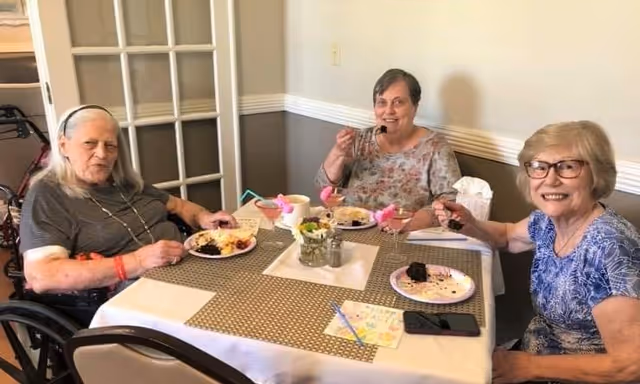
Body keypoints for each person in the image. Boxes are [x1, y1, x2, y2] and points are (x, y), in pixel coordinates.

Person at [433, 121, 640, 383]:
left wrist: (530, 367)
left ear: (596, 174)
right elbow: (508, 236)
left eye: (567, 166)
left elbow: (629, 364)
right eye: (540, 167)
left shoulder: (611, 247)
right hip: (533, 355)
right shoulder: (548, 221)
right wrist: (471, 223)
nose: (550, 179)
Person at [19, 104, 237, 327]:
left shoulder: (124, 182)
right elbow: (42, 275)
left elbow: (179, 206)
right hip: (136, 298)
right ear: (63, 145)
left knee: (245, 288)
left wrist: (203, 217)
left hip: (185, 270)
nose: (102, 154)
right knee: (226, 322)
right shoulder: (47, 195)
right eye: (90, 143)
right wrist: (137, 261)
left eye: (110, 146)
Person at [314, 68, 461, 230]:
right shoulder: (361, 139)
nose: (389, 111)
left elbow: (450, 203)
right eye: (382, 102)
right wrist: (338, 152)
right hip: (348, 229)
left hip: (402, 238)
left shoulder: (435, 147)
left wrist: (409, 224)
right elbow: (324, 191)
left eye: (398, 102)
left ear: (415, 107)